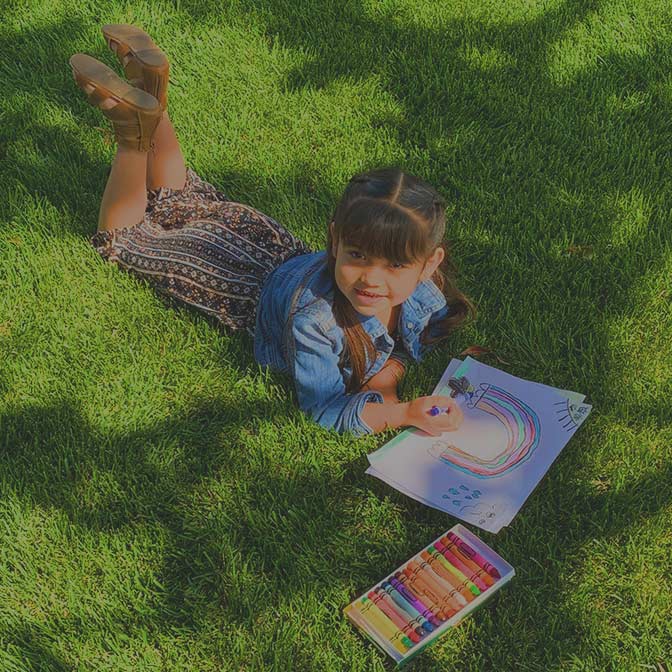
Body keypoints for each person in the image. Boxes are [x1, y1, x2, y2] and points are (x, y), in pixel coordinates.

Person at [69, 25, 474, 437]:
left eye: (395, 265)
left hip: (274, 247)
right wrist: (402, 414)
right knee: (127, 240)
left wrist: (385, 380)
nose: (372, 277)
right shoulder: (314, 321)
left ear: (429, 264)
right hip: (237, 285)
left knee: (188, 197)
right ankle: (132, 135)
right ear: (335, 240)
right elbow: (325, 409)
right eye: (357, 256)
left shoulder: (426, 296)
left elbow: (402, 347)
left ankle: (152, 95)